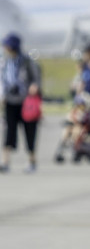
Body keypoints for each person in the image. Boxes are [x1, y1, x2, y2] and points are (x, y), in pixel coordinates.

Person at [1, 32, 42, 173]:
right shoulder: (5, 61)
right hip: (10, 101)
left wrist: (34, 86)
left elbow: (36, 77)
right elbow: (3, 80)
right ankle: (5, 162)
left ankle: (32, 161)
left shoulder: (26, 61)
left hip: (26, 102)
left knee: (29, 131)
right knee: (9, 131)